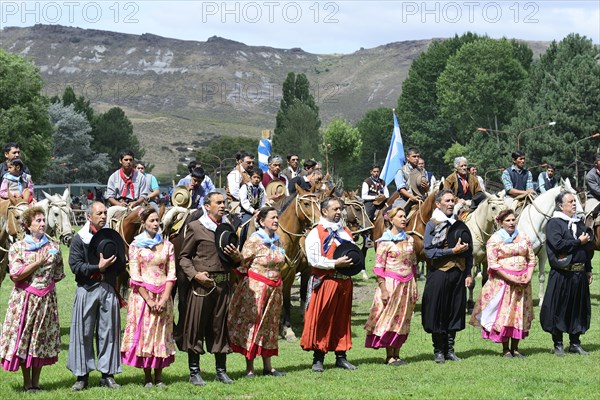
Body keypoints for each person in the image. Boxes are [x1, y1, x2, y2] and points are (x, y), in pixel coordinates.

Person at [179, 192, 242, 385]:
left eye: (224, 203)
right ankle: (194, 372)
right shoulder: (195, 227)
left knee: (219, 327)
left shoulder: (228, 228)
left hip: (223, 284)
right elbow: (183, 257)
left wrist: (237, 257)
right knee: (196, 326)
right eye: (219, 203)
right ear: (207, 206)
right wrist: (195, 275)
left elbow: (234, 261)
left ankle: (221, 370)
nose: (223, 206)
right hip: (201, 285)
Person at [0, 206, 64, 392]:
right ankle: (26, 382)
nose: (42, 223)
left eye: (43, 220)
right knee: (24, 340)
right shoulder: (17, 248)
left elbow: (58, 273)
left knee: (41, 341)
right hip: (24, 300)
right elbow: (15, 274)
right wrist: (37, 262)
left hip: (46, 301)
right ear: (27, 225)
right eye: (38, 221)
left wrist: (46, 287)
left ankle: (36, 382)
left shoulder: (53, 247)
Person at [67, 201, 123, 390]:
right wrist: (97, 267)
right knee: (84, 332)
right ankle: (82, 376)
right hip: (87, 288)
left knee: (108, 332)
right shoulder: (79, 239)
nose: (103, 216)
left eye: (105, 213)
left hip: (107, 288)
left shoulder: (112, 238)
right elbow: (75, 266)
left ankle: (107, 374)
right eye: (99, 213)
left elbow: (121, 262)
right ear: (89, 216)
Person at [121, 207, 177, 387]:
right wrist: (150, 300)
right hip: (143, 296)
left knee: (160, 334)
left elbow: (171, 274)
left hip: (163, 294)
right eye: (152, 221)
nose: (155, 224)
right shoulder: (136, 246)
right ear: (143, 223)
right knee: (146, 335)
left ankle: (159, 376)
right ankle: (147, 377)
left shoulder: (168, 245)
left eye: (157, 221)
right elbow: (135, 276)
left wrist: (163, 298)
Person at [228, 207, 286, 377]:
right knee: (253, 325)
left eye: (277, 217)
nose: (276, 220)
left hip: (274, 289)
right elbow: (241, 263)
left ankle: (268, 366)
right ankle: (250, 368)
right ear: (262, 221)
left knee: (271, 325)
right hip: (257, 288)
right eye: (272, 218)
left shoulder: (278, 240)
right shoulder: (254, 240)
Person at [469, 209, 536, 357]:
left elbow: (531, 258)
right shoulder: (494, 239)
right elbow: (493, 264)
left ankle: (516, 348)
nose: (512, 223)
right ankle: (506, 349)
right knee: (505, 315)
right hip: (504, 283)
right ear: (500, 223)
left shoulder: (524, 237)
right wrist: (511, 279)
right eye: (508, 220)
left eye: (513, 220)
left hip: (523, 283)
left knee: (519, 314)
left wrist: (528, 276)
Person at [301, 197, 356, 372]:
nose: (339, 212)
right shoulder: (316, 233)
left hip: (344, 281)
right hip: (326, 281)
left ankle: (341, 356)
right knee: (323, 319)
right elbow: (313, 260)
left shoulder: (345, 231)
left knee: (342, 319)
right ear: (325, 211)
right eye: (335, 209)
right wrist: (334, 264)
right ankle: (318, 358)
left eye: (340, 209)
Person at [422, 189, 473, 363]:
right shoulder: (433, 224)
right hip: (439, 274)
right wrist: (452, 251)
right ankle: (438, 351)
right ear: (438, 204)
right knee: (438, 312)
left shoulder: (460, 224)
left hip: (458, 274)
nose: (451, 203)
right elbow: (429, 252)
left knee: (454, 312)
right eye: (447, 201)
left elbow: (469, 252)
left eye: (453, 200)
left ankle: (450, 350)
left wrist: (468, 273)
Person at [540, 192, 593, 356]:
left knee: (577, 308)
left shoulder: (579, 223)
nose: (574, 204)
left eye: (574, 201)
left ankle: (575, 343)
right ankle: (558, 344)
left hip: (579, 273)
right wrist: (578, 242)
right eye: (570, 202)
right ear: (561, 206)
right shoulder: (554, 224)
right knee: (559, 308)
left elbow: (587, 248)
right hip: (562, 273)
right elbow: (558, 244)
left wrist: (588, 268)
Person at [364, 207, 418, 365]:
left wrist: (413, 283)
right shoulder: (384, 242)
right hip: (391, 283)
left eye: (404, 216)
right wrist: (384, 289)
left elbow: (413, 263)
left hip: (407, 283)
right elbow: (378, 268)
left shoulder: (410, 240)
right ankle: (389, 356)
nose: (404, 219)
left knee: (403, 318)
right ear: (391, 219)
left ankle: (397, 353)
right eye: (400, 216)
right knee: (390, 318)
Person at [105, 150, 149, 223]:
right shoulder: (113, 177)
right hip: (118, 205)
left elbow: (143, 195)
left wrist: (135, 203)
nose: (128, 162)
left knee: (149, 218)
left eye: (130, 160)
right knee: (108, 213)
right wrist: (119, 204)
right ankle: (105, 234)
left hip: (136, 206)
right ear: (120, 161)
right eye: (126, 160)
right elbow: (109, 197)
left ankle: (155, 233)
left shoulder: (140, 177)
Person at [239, 168, 267, 245]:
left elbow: (263, 202)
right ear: (250, 178)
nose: (256, 179)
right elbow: (244, 201)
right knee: (244, 225)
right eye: (254, 177)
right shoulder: (245, 187)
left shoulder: (261, 189)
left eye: (258, 178)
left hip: (259, 212)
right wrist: (253, 211)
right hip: (247, 212)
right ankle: (241, 245)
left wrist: (261, 210)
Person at [584, 154, 600, 221]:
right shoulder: (590, 176)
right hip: (594, 198)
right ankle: (588, 229)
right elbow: (597, 191)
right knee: (589, 214)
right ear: (595, 163)